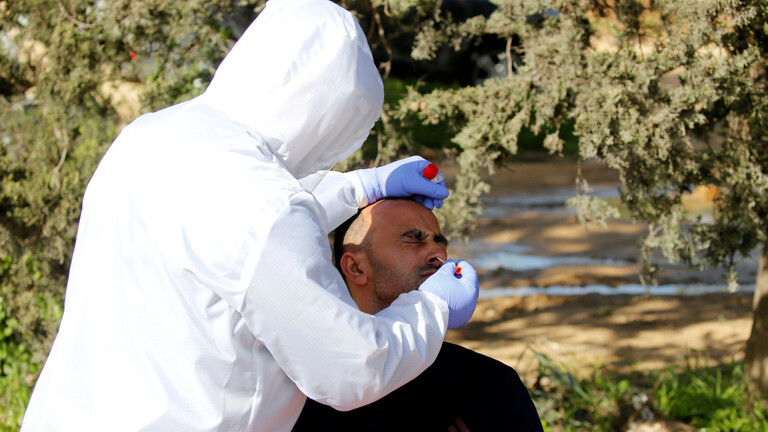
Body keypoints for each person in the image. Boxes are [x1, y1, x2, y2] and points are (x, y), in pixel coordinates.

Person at [20, 1, 480, 431]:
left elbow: (232, 236)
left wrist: (361, 187)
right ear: (325, 111)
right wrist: (432, 307)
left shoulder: (151, 135)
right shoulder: (261, 201)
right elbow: (350, 368)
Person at [293, 198, 544, 431]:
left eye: (440, 242)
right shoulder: (300, 389)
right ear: (356, 267)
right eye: (414, 240)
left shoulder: (487, 385)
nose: (439, 255)